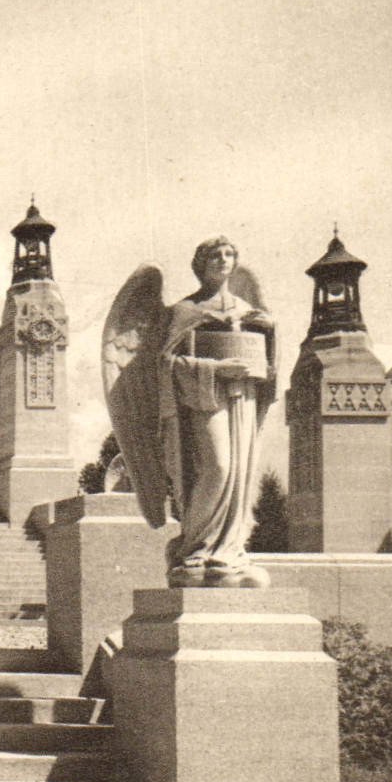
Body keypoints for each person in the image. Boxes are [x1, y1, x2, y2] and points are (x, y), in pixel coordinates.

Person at [158, 237, 275, 588]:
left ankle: (229, 551)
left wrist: (268, 336)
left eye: (229, 254)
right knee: (219, 467)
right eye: (214, 255)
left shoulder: (246, 310)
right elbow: (166, 364)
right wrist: (217, 369)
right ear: (200, 263)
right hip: (204, 397)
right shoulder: (185, 311)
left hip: (245, 395)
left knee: (240, 472)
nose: (223, 260)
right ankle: (195, 548)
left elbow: (269, 364)